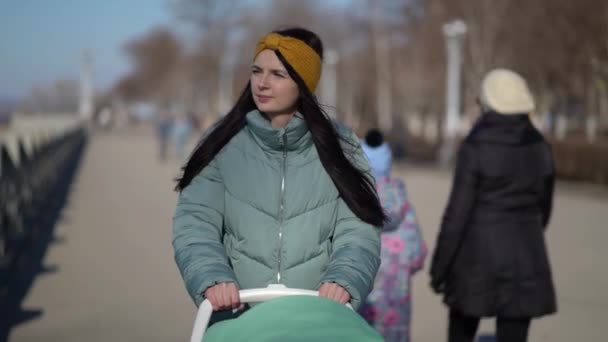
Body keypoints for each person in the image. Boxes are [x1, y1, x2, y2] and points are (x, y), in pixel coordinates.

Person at [172, 27, 385, 324]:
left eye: (278, 74)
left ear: (302, 83)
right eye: (257, 71)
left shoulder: (342, 145)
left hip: (317, 315)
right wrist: (212, 277)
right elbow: (195, 221)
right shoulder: (222, 142)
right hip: (238, 315)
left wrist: (344, 279)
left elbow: (359, 228)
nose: (262, 83)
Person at [429, 69, 557, 342]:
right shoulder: (541, 147)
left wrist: (439, 268)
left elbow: (457, 215)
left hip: (474, 259)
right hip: (525, 257)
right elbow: (543, 210)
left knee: (461, 329)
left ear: (488, 102)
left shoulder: (476, 146)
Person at [358, 129, 427, 342]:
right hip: (396, 306)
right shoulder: (404, 206)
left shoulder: (352, 203)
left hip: (360, 303)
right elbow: (417, 255)